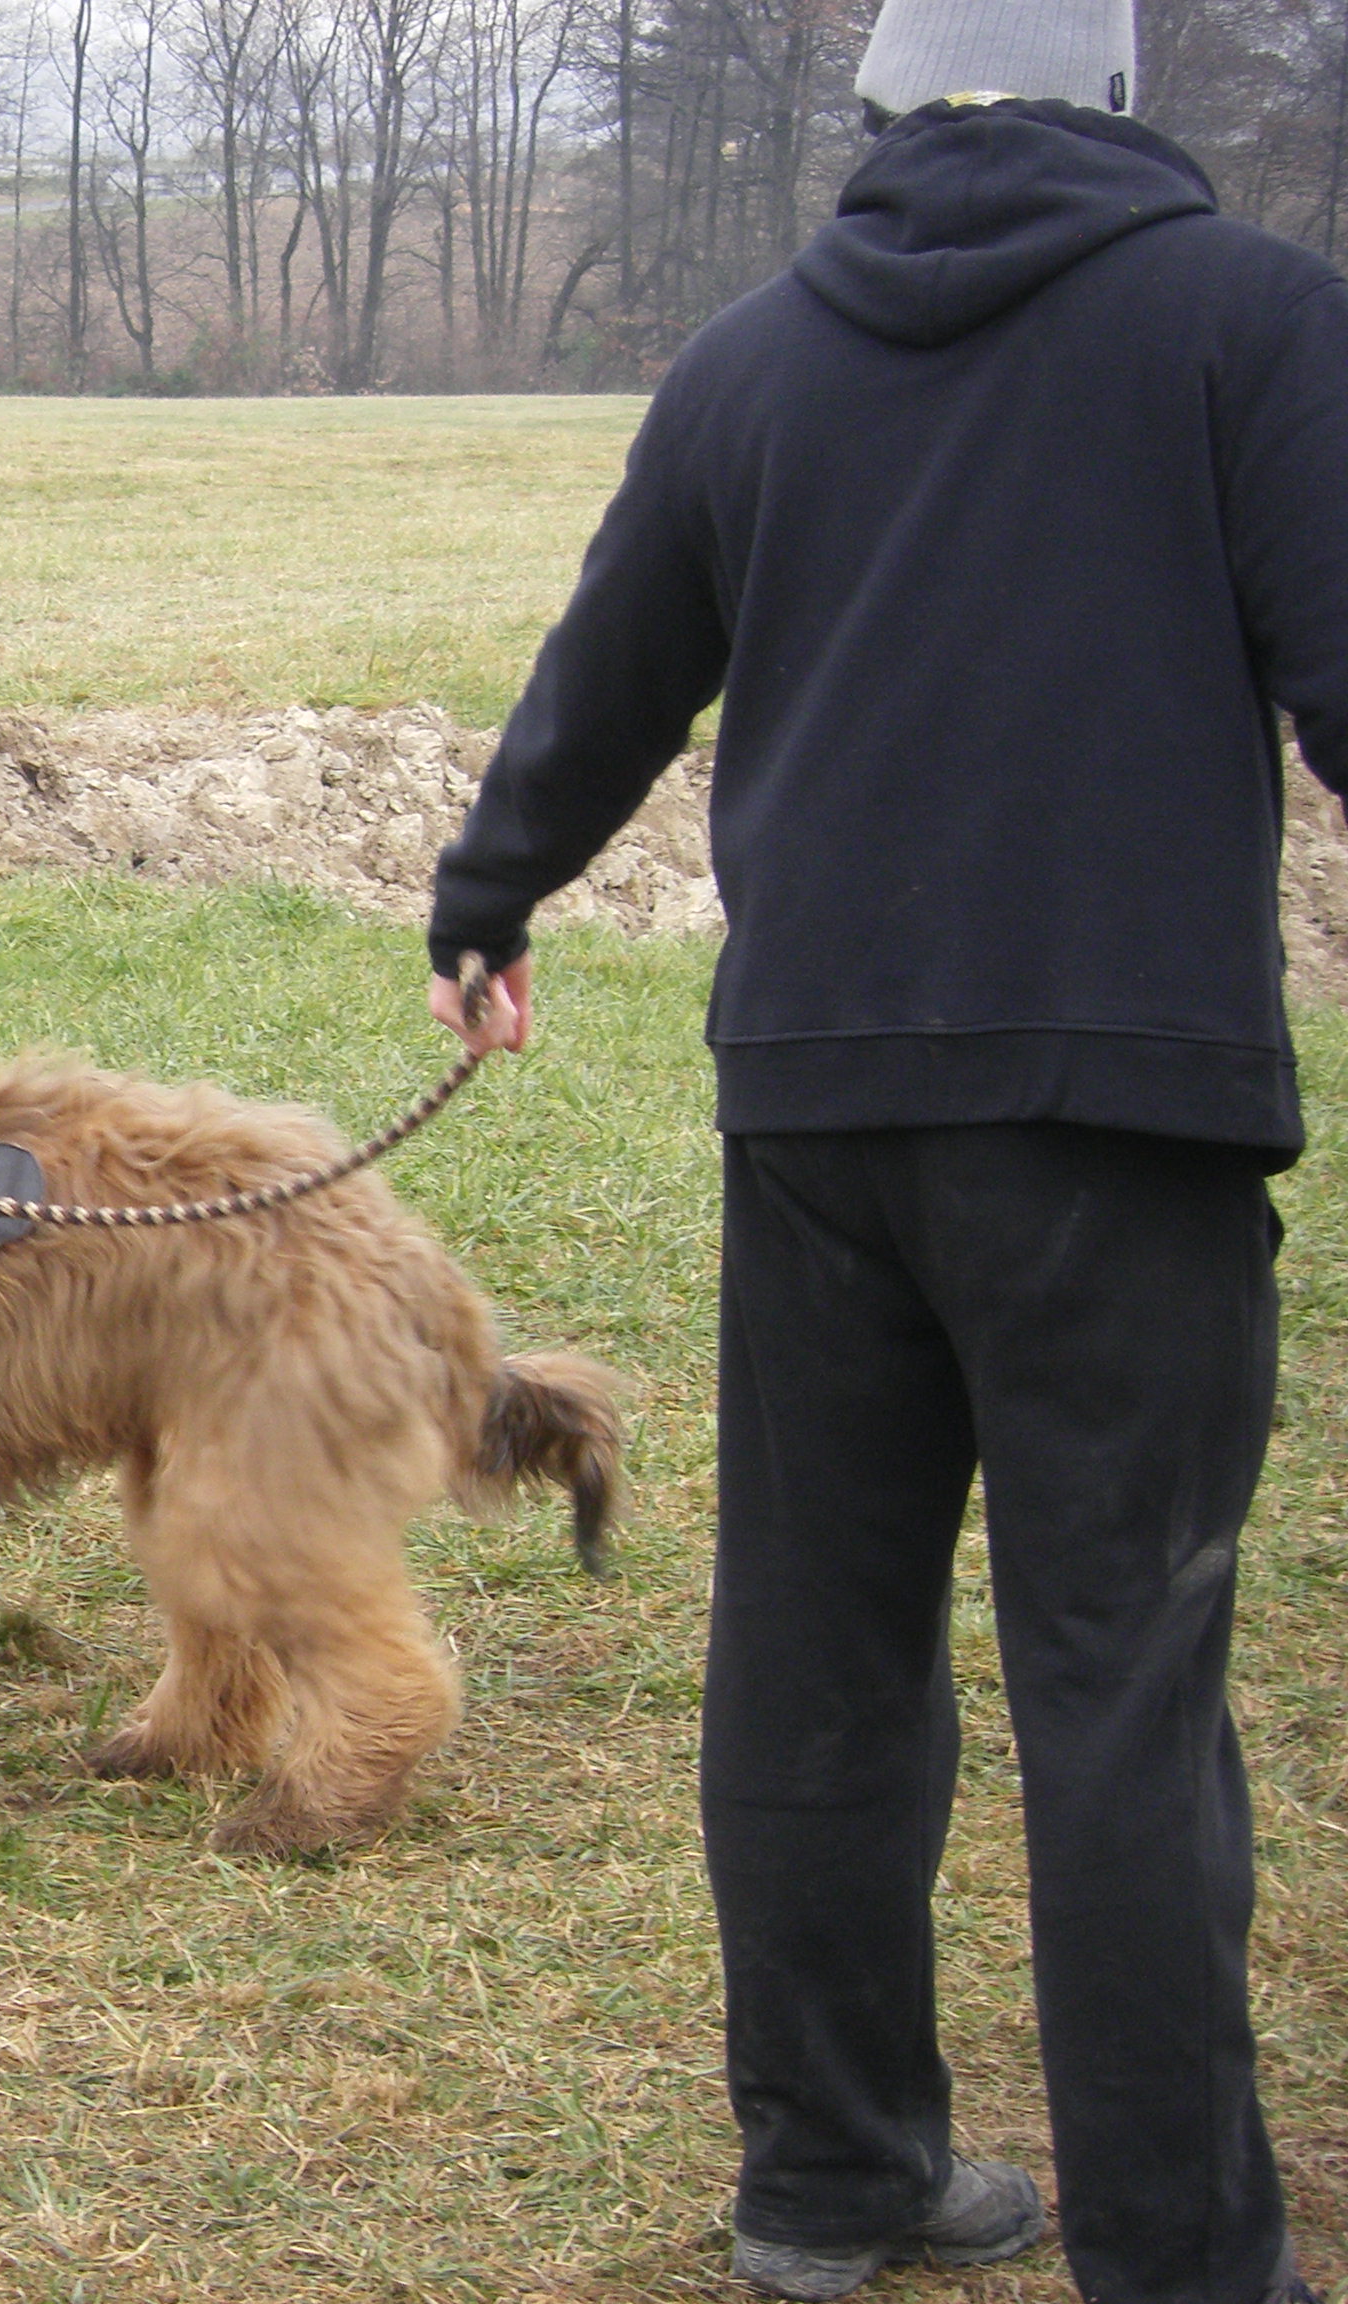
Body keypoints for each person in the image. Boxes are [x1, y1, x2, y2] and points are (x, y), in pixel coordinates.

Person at [421, 2, 1341, 2299]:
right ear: (1126, 96)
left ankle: (829, 2180)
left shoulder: (752, 360)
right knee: (1122, 1679)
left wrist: (487, 897)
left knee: (818, 1654)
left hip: (821, 1100)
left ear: (875, 110)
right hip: (1123, 1109)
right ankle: (1181, 2253)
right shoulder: (1256, 322)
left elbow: (609, 664)